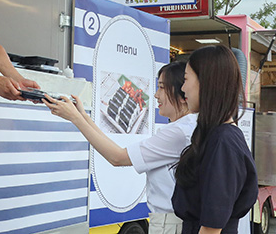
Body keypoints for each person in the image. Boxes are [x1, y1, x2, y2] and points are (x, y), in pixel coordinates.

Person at [44, 62, 196, 234]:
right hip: (171, 221)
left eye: (161, 87)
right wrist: (82, 116)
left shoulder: (177, 132)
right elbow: (118, 152)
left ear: (181, 92)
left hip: (169, 224)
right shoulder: (186, 127)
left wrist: (75, 118)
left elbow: (117, 157)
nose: (155, 95)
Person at [172, 45, 257, 234]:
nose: (183, 88)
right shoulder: (217, 135)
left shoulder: (223, 141)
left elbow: (211, 227)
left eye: (186, 79)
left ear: (207, 82)